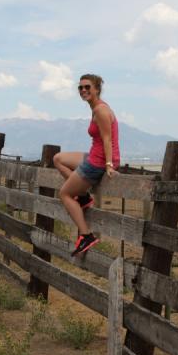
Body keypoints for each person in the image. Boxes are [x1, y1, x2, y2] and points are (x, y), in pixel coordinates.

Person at [53, 74, 120, 256]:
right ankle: (83, 197)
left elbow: (108, 139)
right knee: (58, 159)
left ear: (97, 89)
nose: (83, 90)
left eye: (87, 87)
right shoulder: (96, 108)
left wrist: (108, 165)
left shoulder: (101, 110)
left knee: (65, 194)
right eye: (80, 88)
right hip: (94, 155)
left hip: (98, 161)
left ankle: (86, 235)